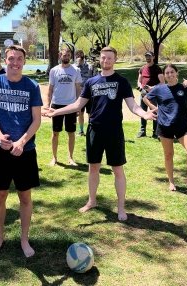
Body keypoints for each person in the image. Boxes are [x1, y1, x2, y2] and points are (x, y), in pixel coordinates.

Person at [44, 46, 157, 221]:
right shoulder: (91, 82)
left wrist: (145, 114)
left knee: (117, 170)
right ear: (100, 60)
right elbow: (77, 105)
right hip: (94, 130)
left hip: (114, 131)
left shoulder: (122, 81)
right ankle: (92, 201)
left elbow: (133, 105)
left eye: (109, 58)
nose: (106, 61)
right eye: (103, 58)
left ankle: (121, 207)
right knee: (93, 168)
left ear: (115, 59)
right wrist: (55, 112)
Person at [0, 45, 42, 257]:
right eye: (11, 58)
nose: (15, 62)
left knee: (25, 197)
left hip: (25, 151)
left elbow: (37, 120)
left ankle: (24, 240)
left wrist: (22, 141)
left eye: (19, 59)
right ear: (5, 60)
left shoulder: (32, 86)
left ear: (24, 62)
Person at [143, 64, 187, 196]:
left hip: (182, 126)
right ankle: (171, 181)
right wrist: (154, 108)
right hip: (164, 126)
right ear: (164, 75)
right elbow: (146, 97)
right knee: (168, 155)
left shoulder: (185, 88)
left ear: (177, 73)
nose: (170, 75)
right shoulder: (159, 88)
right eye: (167, 73)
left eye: (172, 72)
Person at [47, 48, 82, 166]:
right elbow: (50, 89)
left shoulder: (76, 70)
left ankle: (71, 158)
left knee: (71, 133)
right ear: (60, 56)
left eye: (67, 55)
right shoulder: (54, 70)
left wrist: (78, 105)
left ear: (70, 56)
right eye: (64, 55)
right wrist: (47, 105)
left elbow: (78, 89)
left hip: (71, 105)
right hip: (56, 105)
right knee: (55, 132)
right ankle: (54, 158)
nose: (65, 57)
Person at [136, 51, 164, 138]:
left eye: (149, 56)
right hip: (143, 94)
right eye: (146, 56)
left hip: (154, 95)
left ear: (153, 57)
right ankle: (142, 131)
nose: (148, 58)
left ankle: (155, 132)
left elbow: (162, 82)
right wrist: (140, 87)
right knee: (143, 112)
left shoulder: (157, 69)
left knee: (154, 112)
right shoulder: (142, 68)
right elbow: (139, 80)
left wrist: (152, 88)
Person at [74, 49, 97, 136]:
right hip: (79, 94)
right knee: (80, 113)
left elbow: (95, 78)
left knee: (90, 113)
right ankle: (81, 130)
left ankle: (91, 130)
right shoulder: (74, 68)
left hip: (90, 94)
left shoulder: (90, 67)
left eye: (80, 56)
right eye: (77, 56)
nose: (78, 59)